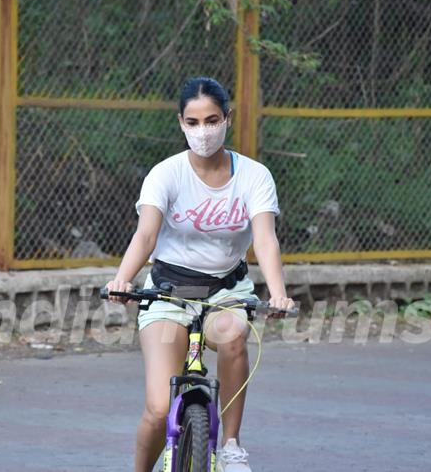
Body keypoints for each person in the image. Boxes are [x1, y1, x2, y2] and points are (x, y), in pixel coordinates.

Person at [105, 76, 294, 472]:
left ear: (227, 118)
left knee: (233, 339)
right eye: (193, 122)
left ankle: (231, 445)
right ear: (181, 123)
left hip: (225, 290)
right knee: (159, 410)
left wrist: (277, 293)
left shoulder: (254, 176)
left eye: (211, 120)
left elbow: (265, 240)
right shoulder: (166, 174)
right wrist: (122, 280)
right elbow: (146, 233)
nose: (203, 131)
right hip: (168, 293)